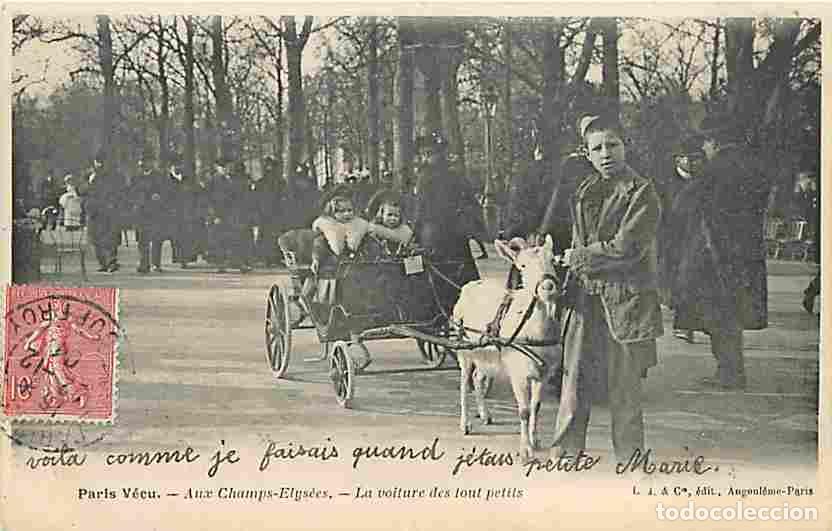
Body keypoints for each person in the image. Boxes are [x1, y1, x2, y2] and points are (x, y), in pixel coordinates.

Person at [551, 114, 663, 464]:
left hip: (625, 303)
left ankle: (630, 461)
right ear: (587, 153)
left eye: (612, 145)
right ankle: (566, 454)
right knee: (574, 382)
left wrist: (580, 257)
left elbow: (626, 248)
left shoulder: (643, 192)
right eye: (596, 148)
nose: (605, 153)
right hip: (585, 300)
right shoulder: (584, 190)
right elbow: (578, 240)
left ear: (625, 146)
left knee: (624, 389)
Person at [667, 117, 768, 390]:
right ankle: (732, 370)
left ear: (714, 142)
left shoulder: (715, 168)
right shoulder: (752, 166)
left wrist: (687, 180)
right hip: (745, 253)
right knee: (732, 314)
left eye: (706, 143)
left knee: (719, 314)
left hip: (715, 255)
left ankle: (729, 373)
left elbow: (682, 206)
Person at [661, 137, 707, 344]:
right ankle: (681, 320)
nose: (689, 162)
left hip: (696, 238)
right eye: (684, 158)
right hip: (673, 240)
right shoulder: (666, 183)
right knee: (676, 282)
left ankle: (685, 324)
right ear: (676, 160)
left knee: (691, 281)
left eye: (695, 158)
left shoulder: (706, 182)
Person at [207, 159, 253, 274]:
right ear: (217, 168)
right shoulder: (213, 181)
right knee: (220, 240)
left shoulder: (236, 179)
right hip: (219, 215)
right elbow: (208, 200)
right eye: (222, 167)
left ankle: (240, 263)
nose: (225, 169)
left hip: (234, 215)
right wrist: (214, 216)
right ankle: (221, 264)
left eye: (227, 167)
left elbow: (241, 197)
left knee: (237, 239)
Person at [132, 160, 177, 273]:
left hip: (155, 212)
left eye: (145, 162)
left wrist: (160, 197)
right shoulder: (136, 177)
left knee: (157, 239)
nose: (142, 164)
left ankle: (156, 264)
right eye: (141, 163)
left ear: (151, 163)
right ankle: (144, 264)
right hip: (141, 212)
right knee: (142, 240)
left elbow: (168, 192)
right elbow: (130, 192)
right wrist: (134, 204)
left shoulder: (159, 177)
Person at [84, 155, 122, 273]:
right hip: (94, 212)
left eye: (102, 163)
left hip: (108, 211)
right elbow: (82, 191)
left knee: (110, 238)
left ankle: (112, 262)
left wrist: (113, 204)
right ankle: (102, 263)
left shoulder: (114, 177)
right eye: (97, 163)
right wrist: (89, 181)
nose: (99, 165)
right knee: (96, 239)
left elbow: (119, 193)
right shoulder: (89, 176)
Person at [365, 188, 415, 256]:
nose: (393, 218)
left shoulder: (404, 230)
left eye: (396, 216)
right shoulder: (374, 228)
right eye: (389, 215)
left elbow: (407, 235)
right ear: (382, 215)